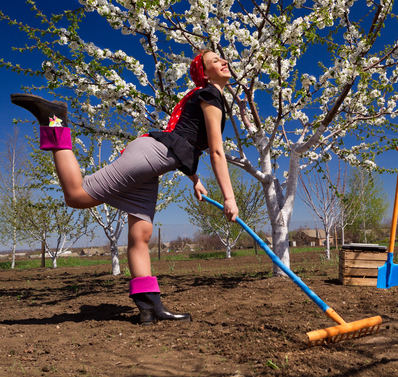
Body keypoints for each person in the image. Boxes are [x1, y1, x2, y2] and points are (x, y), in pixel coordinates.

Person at [10, 50, 239, 325]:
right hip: (151, 156)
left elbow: (185, 138)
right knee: (77, 195)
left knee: (140, 233)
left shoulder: (208, 96)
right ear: (204, 73)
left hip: (156, 158)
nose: (223, 61)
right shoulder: (210, 95)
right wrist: (229, 196)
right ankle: (54, 120)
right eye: (215, 61)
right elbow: (215, 150)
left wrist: (194, 178)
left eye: (222, 58)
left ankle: (150, 307)